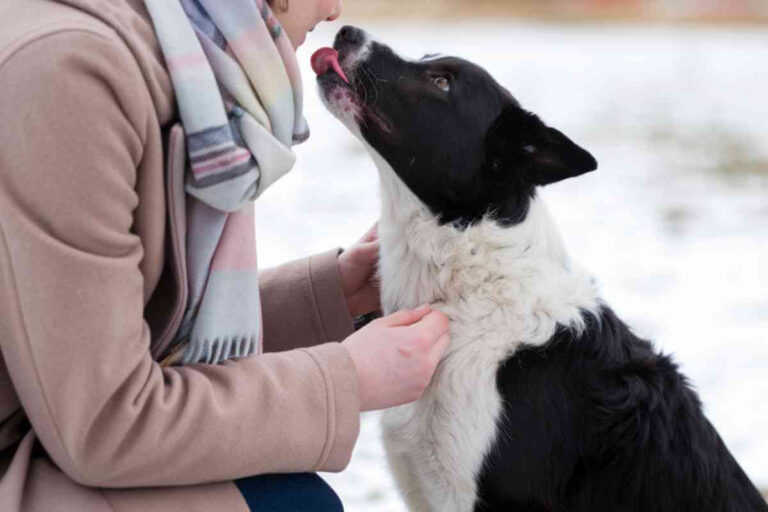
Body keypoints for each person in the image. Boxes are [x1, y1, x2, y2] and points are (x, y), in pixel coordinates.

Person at [0, 0, 450, 510]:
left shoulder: (184, 67)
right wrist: (347, 382)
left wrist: (334, 295)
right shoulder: (73, 76)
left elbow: (104, 340)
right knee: (292, 504)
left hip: (44, 431)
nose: (332, 9)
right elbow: (105, 422)